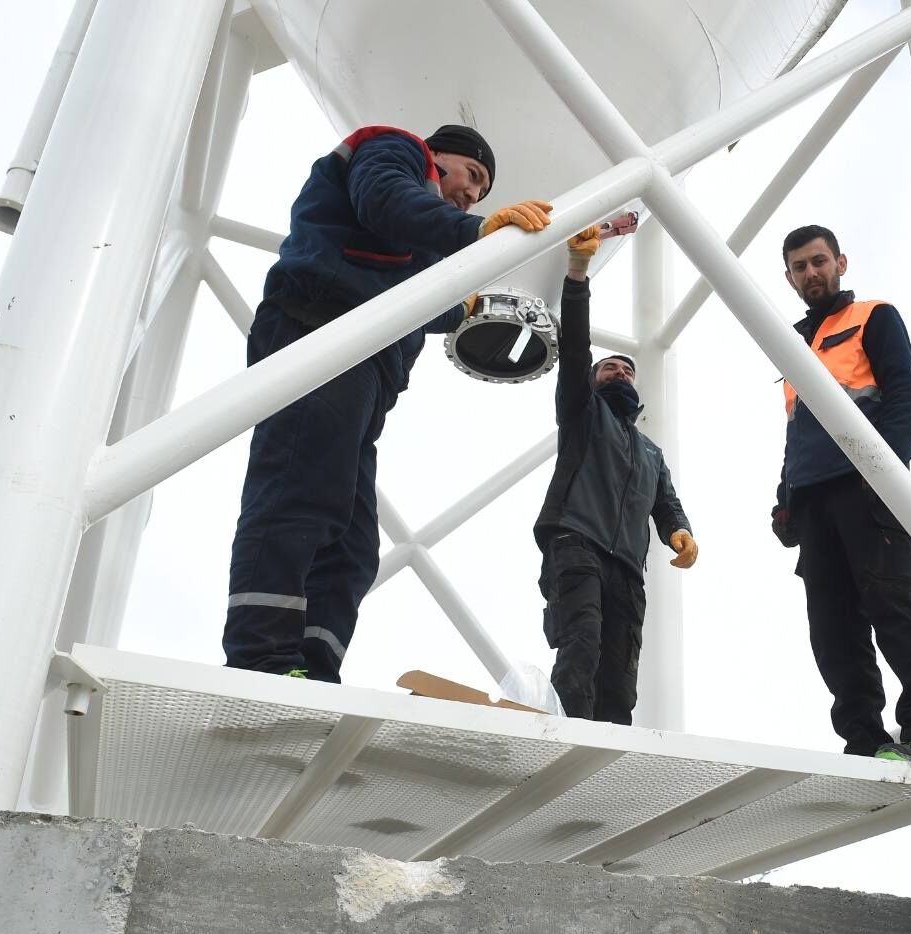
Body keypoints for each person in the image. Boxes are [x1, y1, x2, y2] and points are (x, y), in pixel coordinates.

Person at [223, 123, 553, 681]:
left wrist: (472, 305)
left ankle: (313, 667)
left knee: (352, 543)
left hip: (364, 365)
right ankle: (262, 661)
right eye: (471, 176)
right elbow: (385, 202)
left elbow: (421, 300)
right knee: (298, 499)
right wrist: (474, 232)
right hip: (321, 329)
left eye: (482, 192)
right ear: (437, 155)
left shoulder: (417, 241)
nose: (472, 194)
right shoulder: (394, 152)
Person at [769, 224, 911, 764]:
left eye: (819, 261)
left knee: (895, 608)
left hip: (868, 488)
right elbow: (796, 427)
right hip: (813, 502)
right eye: (800, 266)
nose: (812, 273)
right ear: (788, 277)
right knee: (832, 629)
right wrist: (785, 496)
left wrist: (887, 471)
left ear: (841, 263)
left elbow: (902, 395)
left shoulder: (873, 316)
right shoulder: (794, 344)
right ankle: (863, 740)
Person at [532, 225, 696, 723]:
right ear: (591, 380)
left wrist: (679, 531)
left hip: (628, 564)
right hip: (576, 542)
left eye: (628, 370)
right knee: (581, 645)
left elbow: (665, 502)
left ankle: (608, 756)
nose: (621, 372)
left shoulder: (650, 451)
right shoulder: (582, 413)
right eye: (610, 369)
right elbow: (578, 347)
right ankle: (569, 736)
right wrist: (577, 277)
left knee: (621, 675)